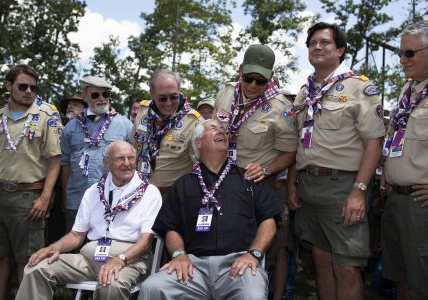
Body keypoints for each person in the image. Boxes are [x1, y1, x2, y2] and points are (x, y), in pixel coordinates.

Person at [288, 22, 385, 300]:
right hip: (309, 187)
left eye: (324, 42)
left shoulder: (359, 88)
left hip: (342, 187)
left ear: (340, 50)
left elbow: (374, 141)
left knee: (346, 267)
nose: (317, 47)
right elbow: (298, 139)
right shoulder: (305, 92)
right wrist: (294, 186)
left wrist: (359, 190)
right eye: (312, 43)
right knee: (321, 260)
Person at [138, 119, 283, 300]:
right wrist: (178, 254)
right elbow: (170, 227)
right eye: (213, 128)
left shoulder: (249, 178)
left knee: (252, 295)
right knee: (152, 288)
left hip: (238, 265)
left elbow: (268, 220)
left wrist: (254, 253)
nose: (221, 131)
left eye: (223, 129)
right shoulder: (182, 185)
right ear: (198, 142)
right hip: (192, 267)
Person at [15, 141, 162, 299]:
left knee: (110, 284)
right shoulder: (94, 191)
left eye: (131, 158)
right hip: (89, 258)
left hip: (130, 259)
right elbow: (77, 235)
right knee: (36, 268)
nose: (127, 163)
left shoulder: (149, 192)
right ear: (107, 163)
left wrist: (120, 259)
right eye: (120, 158)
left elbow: (146, 241)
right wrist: (55, 247)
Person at [213, 44, 298, 299]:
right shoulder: (226, 94)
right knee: (226, 245)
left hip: (261, 187)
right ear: (239, 71)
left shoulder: (281, 107)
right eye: (247, 78)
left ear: (270, 78)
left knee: (272, 250)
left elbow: (291, 152)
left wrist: (266, 169)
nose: (251, 85)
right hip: (224, 185)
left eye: (260, 81)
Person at [0, 64, 62, 300]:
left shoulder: (45, 117)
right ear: (8, 86)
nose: (28, 92)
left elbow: (55, 159)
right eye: (22, 86)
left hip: (28, 197)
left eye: (33, 88)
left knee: (29, 259)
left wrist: (46, 196)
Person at [381, 20, 428, 300]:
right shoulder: (408, 91)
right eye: (401, 53)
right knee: (400, 278)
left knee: (422, 283)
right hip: (395, 200)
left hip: (420, 205)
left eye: (409, 53)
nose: (402, 60)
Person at [60, 76, 133, 232]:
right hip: (76, 201)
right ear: (84, 97)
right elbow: (65, 165)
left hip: (111, 202)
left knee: (103, 253)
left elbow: (133, 165)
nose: (101, 99)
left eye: (105, 94)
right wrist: (65, 199)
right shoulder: (70, 128)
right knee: (73, 251)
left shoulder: (125, 125)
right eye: (95, 95)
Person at [130, 69, 203, 193]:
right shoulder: (142, 111)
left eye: (174, 97)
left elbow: (200, 165)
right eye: (162, 98)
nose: (168, 103)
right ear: (152, 94)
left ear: (179, 91)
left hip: (171, 195)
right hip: (139, 190)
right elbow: (132, 146)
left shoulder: (194, 121)